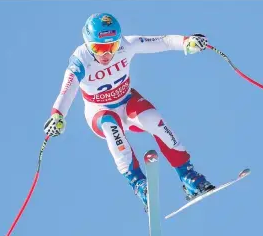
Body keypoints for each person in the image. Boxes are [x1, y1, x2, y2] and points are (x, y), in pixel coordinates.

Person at [44, 13, 215, 212]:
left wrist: (187, 42)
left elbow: (164, 41)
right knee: (111, 126)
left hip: (127, 102)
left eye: (112, 46)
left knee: (153, 119)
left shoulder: (127, 44)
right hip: (100, 112)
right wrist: (57, 115)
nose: (107, 54)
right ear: (88, 44)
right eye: (99, 48)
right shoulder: (81, 59)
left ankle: (188, 177)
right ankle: (140, 185)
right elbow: (67, 90)